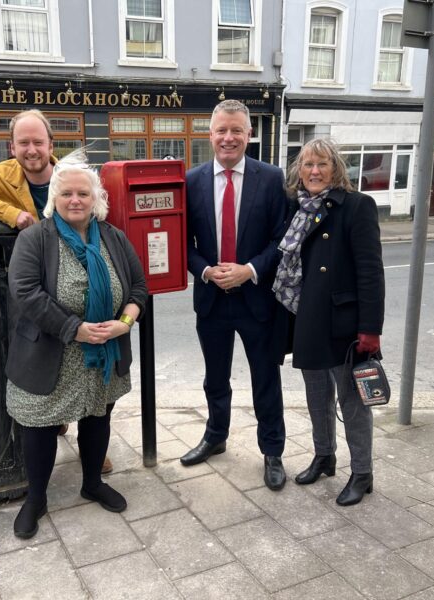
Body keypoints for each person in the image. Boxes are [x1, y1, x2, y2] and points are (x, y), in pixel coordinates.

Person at [0, 109, 113, 473]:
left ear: (51, 145)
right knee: (45, 364)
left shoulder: (69, 174)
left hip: (77, 282)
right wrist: (10, 213)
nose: (31, 150)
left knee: (86, 369)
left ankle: (91, 448)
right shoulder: (3, 175)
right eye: (24, 143)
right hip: (35, 286)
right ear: (12, 146)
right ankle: (52, 429)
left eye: (38, 142)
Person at [5, 149, 147, 538]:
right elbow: (26, 293)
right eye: (66, 193)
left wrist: (123, 323)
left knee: (98, 416)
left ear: (96, 198)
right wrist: (75, 328)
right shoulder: (36, 238)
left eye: (83, 193)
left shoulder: (114, 238)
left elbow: (138, 287)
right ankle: (36, 498)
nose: (75, 200)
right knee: (38, 427)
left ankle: (92, 483)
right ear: (54, 198)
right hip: (49, 354)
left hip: (103, 352)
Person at [181, 99, 288, 491]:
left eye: (237, 131)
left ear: (249, 135)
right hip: (212, 299)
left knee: (265, 378)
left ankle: (273, 451)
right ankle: (215, 435)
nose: (229, 138)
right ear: (210, 135)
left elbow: (282, 238)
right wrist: (206, 271)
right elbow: (183, 241)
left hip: (256, 299)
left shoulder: (272, 178)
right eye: (222, 131)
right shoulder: (191, 181)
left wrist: (250, 270)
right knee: (215, 377)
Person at [272, 138, 385, 507]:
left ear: (336, 169)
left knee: (353, 404)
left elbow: (371, 273)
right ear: (299, 172)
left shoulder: (356, 207)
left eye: (322, 164)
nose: (314, 172)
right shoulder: (298, 208)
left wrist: (370, 329)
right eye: (307, 165)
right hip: (306, 319)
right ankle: (325, 456)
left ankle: (362, 472)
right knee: (317, 396)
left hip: (344, 325)